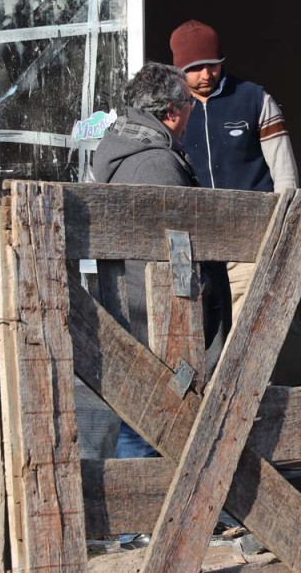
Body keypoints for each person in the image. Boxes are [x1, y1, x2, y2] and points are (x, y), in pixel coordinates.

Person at [92, 62, 231, 547]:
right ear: (172, 111)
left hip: (134, 306)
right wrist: (200, 301)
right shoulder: (156, 163)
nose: (191, 113)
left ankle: (141, 522)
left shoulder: (124, 152)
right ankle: (142, 522)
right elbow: (178, 247)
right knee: (156, 413)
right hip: (159, 312)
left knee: (144, 411)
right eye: (189, 106)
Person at [169, 19, 299, 322]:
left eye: (212, 65)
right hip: (193, 244)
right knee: (199, 330)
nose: (206, 74)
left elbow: (284, 170)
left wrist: (283, 228)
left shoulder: (254, 99)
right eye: (195, 68)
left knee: (249, 327)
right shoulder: (170, 110)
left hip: (250, 240)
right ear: (178, 69)